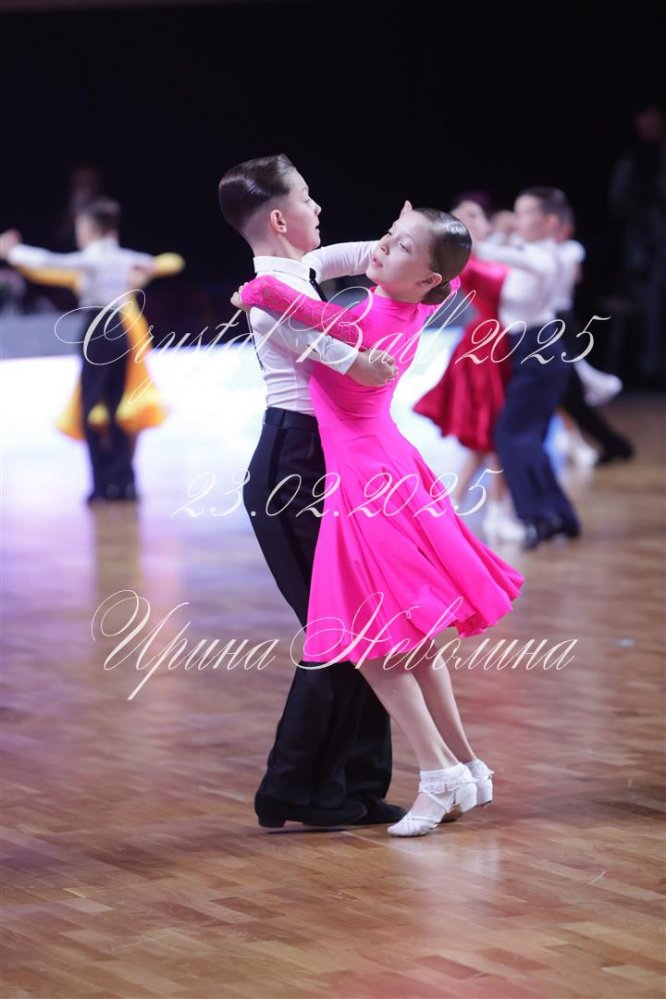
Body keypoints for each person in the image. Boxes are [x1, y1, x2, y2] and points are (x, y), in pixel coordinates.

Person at [234, 204, 525, 837]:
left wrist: (253, 289)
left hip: (363, 479)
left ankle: (440, 773)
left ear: (427, 279)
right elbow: (305, 281)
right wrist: (406, 241)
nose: (381, 248)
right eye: (388, 238)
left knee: (369, 639)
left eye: (399, 248)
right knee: (409, 639)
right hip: (385, 465)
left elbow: (275, 298)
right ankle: (466, 766)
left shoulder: (363, 317)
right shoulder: (407, 307)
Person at [218, 154, 404, 830]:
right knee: (337, 630)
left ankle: (357, 784)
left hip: (326, 459)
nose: (317, 206)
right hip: (292, 467)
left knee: (368, 624)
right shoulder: (268, 291)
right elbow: (334, 351)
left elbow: (347, 256)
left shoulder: (298, 271)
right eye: (306, 197)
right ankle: (293, 787)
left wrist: (401, 246)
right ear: (278, 218)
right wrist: (362, 361)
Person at [0, 199, 183, 502]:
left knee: (90, 408)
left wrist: (12, 252)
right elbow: (160, 263)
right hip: (121, 329)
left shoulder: (93, 258)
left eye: (81, 226)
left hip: (98, 330)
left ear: (90, 227)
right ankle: (124, 482)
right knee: (119, 407)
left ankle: (102, 484)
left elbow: (50, 262)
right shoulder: (125, 257)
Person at [474, 187, 581, 550]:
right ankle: (560, 515)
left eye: (525, 213)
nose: (517, 219)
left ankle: (537, 517)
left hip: (538, 348)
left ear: (549, 222)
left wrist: (478, 238)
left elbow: (494, 254)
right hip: (532, 348)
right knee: (527, 439)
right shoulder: (529, 249)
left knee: (510, 437)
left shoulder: (547, 256)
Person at [413, 198, 523, 542]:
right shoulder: (467, 260)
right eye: (461, 219)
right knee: (497, 434)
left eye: (474, 215)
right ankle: (494, 513)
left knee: (491, 438)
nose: (470, 221)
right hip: (485, 347)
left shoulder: (501, 251)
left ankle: (454, 508)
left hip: (507, 343)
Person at [553, 207, 634, 467]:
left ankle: (612, 444)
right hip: (551, 323)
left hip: (561, 322)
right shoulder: (547, 251)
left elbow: (575, 277)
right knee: (566, 396)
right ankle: (607, 444)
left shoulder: (569, 250)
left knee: (571, 396)